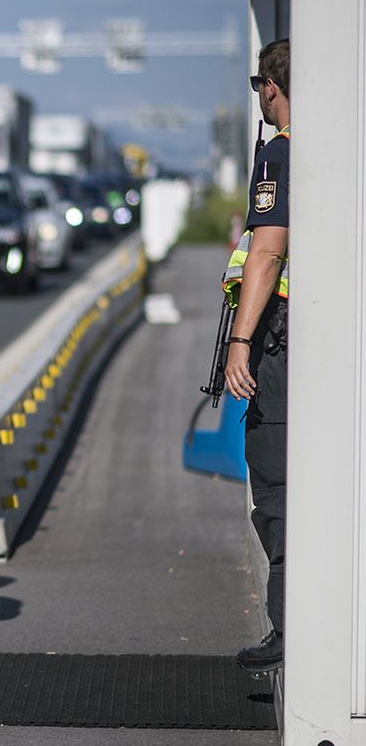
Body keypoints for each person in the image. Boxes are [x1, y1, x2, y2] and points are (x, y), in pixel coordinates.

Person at [223, 38, 290, 675]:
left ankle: (289, 632)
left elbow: (266, 253)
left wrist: (240, 342)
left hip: (281, 344)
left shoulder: (278, 154)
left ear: (272, 87)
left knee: (275, 490)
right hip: (319, 343)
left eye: (258, 85)